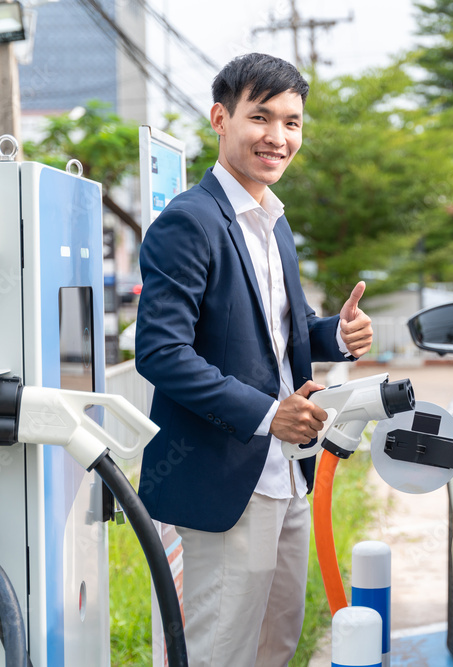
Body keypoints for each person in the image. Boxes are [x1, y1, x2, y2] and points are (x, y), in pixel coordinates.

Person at [134, 52, 373, 667]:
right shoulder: (189, 222)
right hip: (224, 477)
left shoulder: (272, 221)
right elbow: (161, 353)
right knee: (219, 650)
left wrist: (334, 338)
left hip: (288, 472)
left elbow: (269, 337)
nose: (278, 137)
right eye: (261, 117)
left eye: (292, 122)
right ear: (221, 118)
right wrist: (270, 415)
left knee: (275, 643)